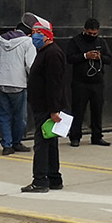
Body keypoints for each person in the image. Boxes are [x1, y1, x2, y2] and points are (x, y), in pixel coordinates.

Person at [0, 13, 38, 155]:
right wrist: (38, 81)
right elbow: (31, 65)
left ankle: (7, 145)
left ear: (15, 29)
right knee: (20, 117)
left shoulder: (0, 39)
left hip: (0, 82)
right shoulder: (28, 42)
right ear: (29, 33)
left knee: (4, 115)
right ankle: (16, 142)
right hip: (18, 83)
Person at [22, 19, 68, 192]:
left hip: (47, 107)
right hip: (43, 106)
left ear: (47, 36)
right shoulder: (43, 51)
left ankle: (40, 180)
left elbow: (55, 83)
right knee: (50, 142)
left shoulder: (52, 54)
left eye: (37, 34)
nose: (33, 37)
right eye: (33, 33)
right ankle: (54, 178)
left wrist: (54, 110)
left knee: (42, 144)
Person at [66, 17, 112, 147]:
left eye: (95, 34)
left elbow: (109, 59)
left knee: (97, 110)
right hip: (80, 82)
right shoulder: (75, 41)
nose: (92, 36)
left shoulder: (101, 42)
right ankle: (75, 137)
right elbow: (69, 58)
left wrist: (100, 57)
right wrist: (85, 56)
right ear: (84, 30)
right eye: (90, 33)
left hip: (97, 82)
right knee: (78, 110)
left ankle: (97, 136)